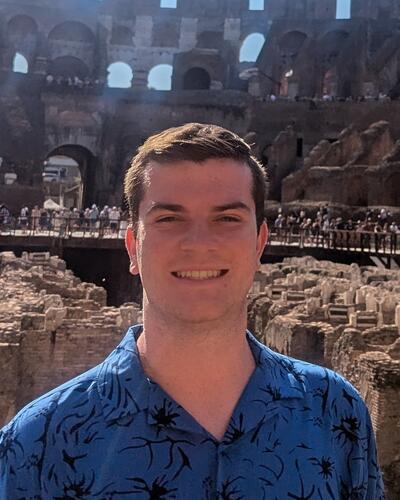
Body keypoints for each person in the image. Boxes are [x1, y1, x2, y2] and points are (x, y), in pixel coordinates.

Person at [0, 123, 384, 498]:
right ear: (133, 247)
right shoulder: (34, 446)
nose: (199, 243)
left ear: (259, 243)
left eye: (227, 218)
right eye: (169, 219)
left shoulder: (338, 414)